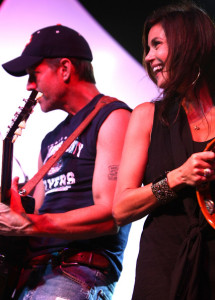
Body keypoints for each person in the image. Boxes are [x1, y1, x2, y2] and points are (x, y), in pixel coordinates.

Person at [0, 24, 131, 299]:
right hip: (33, 274)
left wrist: (29, 224)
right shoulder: (49, 140)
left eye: (34, 74)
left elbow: (110, 214)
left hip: (77, 271)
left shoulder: (113, 117)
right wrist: (16, 211)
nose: (29, 86)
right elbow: (33, 217)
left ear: (65, 68)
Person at [113, 2, 215, 300]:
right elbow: (121, 208)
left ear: (189, 43)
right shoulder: (146, 116)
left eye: (157, 44)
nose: (148, 57)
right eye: (147, 48)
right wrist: (176, 178)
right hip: (163, 269)